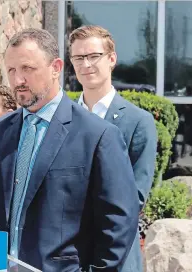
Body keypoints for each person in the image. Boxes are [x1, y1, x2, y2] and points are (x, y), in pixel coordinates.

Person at [0, 28, 139, 271]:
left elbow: (118, 223)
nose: (18, 80)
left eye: (27, 69)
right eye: (12, 71)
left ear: (56, 67)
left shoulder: (98, 135)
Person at [69, 25, 157, 272]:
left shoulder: (138, 122)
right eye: (78, 58)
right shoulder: (59, 117)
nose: (86, 64)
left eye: (93, 56)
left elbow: (134, 199)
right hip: (63, 256)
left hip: (112, 257)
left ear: (112, 59)